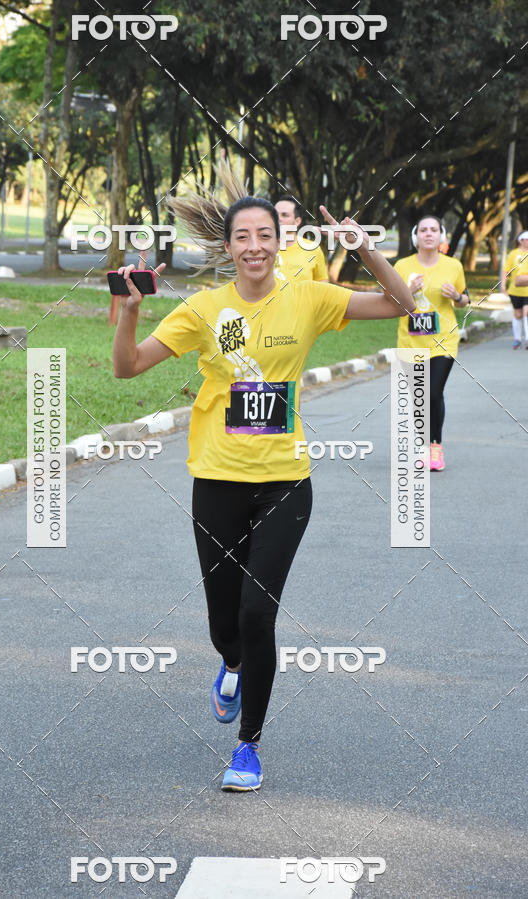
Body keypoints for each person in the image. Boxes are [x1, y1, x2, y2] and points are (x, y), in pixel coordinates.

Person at [112, 168, 414, 792]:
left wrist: (362, 248)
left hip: (285, 482)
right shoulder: (203, 310)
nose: (254, 246)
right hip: (216, 480)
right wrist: (127, 315)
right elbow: (127, 367)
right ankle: (229, 665)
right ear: (228, 247)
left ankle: (247, 746)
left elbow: (401, 305)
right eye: (242, 236)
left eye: (265, 235)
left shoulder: (308, 297)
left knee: (258, 614)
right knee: (225, 627)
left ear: (282, 240)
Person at [394, 215, 470, 472]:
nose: (428, 234)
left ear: (441, 236)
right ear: (416, 236)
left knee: (433, 393)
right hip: (411, 341)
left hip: (443, 341)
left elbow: (464, 300)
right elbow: (391, 302)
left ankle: (434, 447)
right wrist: (407, 289)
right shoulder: (402, 266)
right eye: (423, 230)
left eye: (433, 230)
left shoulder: (453, 266)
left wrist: (457, 296)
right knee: (419, 397)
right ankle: (422, 445)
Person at [274, 194, 327, 283]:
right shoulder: (261, 248)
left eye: (284, 215)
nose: (278, 219)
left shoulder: (312, 249)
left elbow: (323, 285)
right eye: (275, 214)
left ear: (297, 221)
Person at [502, 231, 528, 348]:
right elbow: (506, 270)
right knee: (518, 314)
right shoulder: (513, 254)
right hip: (515, 289)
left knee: (526, 312)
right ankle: (517, 338)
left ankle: (527, 339)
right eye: (526, 239)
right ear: (521, 240)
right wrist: (503, 285)